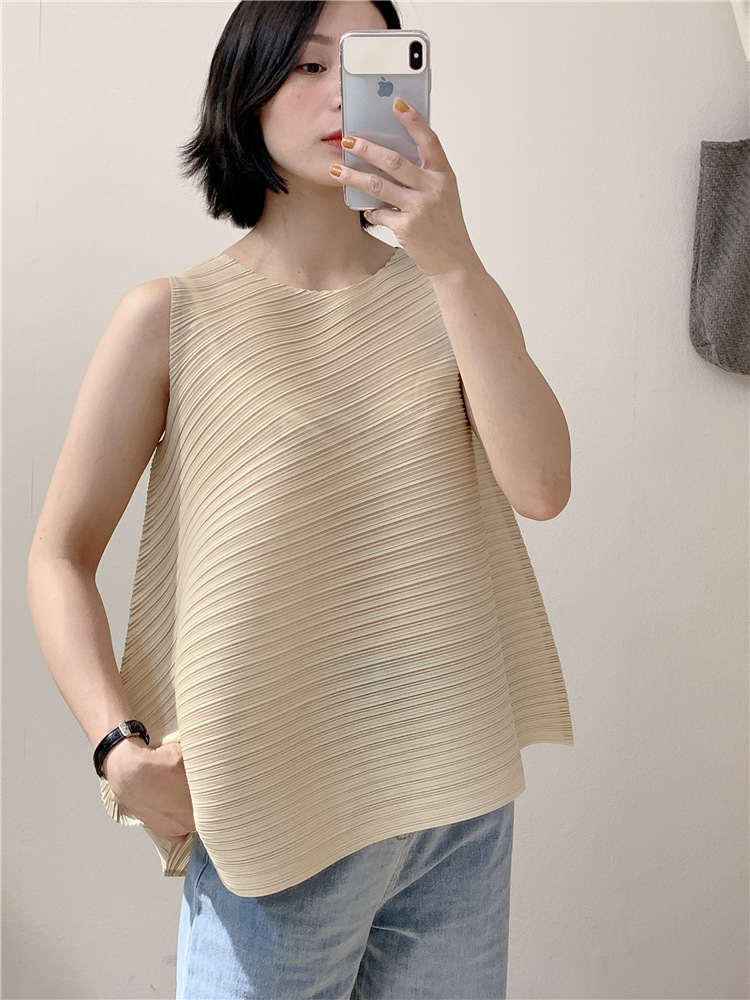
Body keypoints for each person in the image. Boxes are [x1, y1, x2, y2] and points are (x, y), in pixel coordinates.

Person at [27, 2, 573, 997]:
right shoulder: (172, 316)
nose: (337, 95)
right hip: (275, 798)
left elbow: (542, 486)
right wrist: (117, 749)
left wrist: (452, 255)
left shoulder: (446, 294)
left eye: (363, 65)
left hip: (456, 797)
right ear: (249, 86)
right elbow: (58, 554)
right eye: (308, 66)